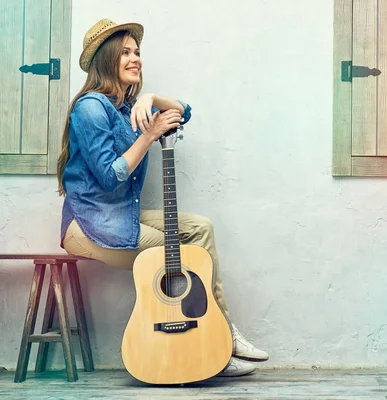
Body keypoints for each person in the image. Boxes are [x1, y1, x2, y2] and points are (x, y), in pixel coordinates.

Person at [56, 19, 267, 378]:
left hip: (122, 215)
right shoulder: (91, 108)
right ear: (106, 59)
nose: (135, 58)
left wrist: (152, 98)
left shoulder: (129, 108)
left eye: (137, 52)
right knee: (182, 257)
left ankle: (223, 335)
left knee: (200, 228)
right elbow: (109, 177)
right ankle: (210, 345)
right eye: (125, 52)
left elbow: (183, 113)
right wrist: (150, 135)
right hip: (90, 224)